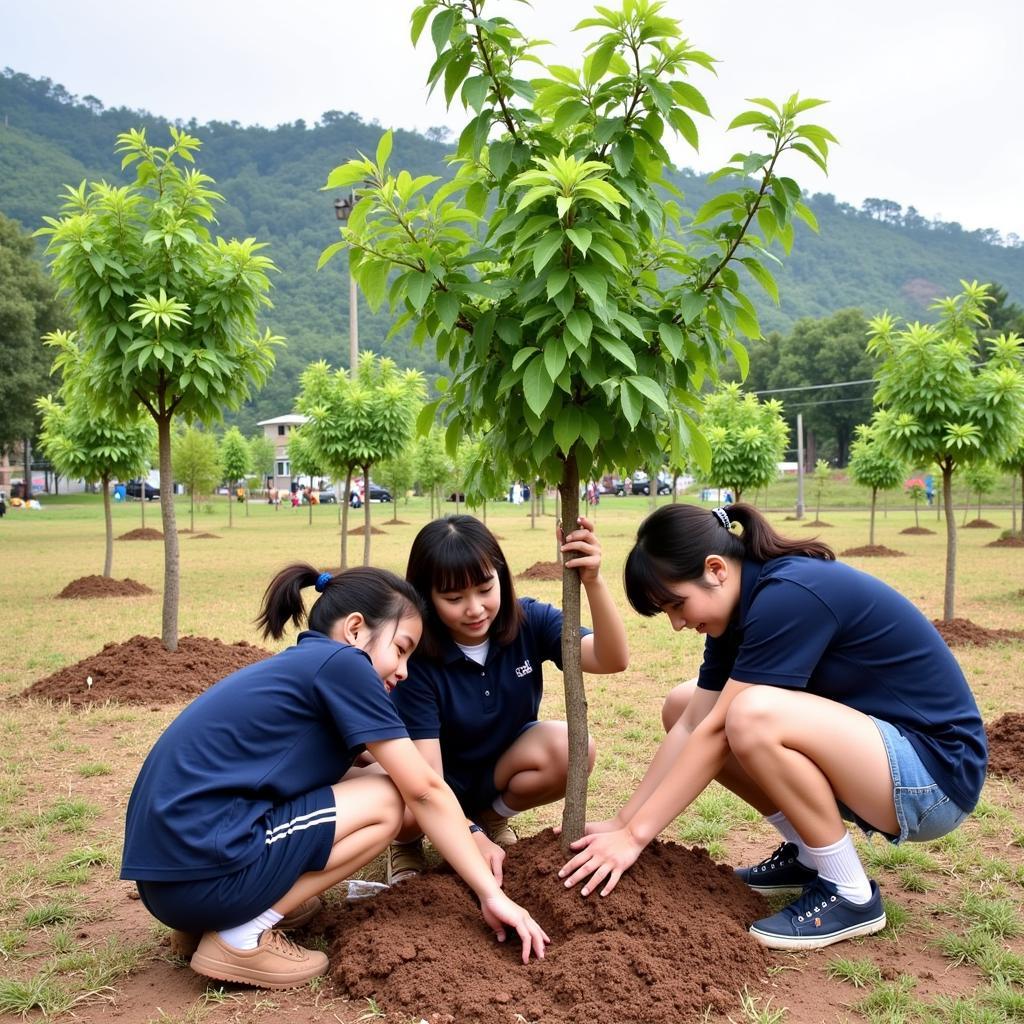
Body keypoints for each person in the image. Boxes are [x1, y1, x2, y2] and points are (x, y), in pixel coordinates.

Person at [558, 503, 986, 951]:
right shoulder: (740, 611)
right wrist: (623, 822)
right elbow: (691, 724)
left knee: (748, 715)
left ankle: (851, 895)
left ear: (716, 569)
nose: (678, 623)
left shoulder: (790, 593)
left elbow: (721, 730)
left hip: (933, 778)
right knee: (684, 703)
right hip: (883, 762)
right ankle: (808, 855)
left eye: (677, 604)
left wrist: (634, 838)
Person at [121, 563, 549, 990]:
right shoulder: (344, 664)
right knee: (389, 797)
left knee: (379, 775)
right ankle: (242, 935)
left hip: (170, 886)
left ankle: (212, 922)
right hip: (202, 873)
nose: (403, 670)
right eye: (401, 649)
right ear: (356, 629)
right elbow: (422, 788)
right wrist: (493, 895)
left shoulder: (304, 666)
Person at [388, 514, 629, 885]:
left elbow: (611, 659)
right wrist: (470, 837)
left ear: (501, 575)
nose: (475, 608)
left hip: (496, 771)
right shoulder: (415, 658)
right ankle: (408, 844)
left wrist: (594, 581)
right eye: (454, 598)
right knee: (400, 802)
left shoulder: (529, 620)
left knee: (570, 747)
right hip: (430, 783)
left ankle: (489, 815)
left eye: (485, 588)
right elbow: (426, 781)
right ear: (426, 598)